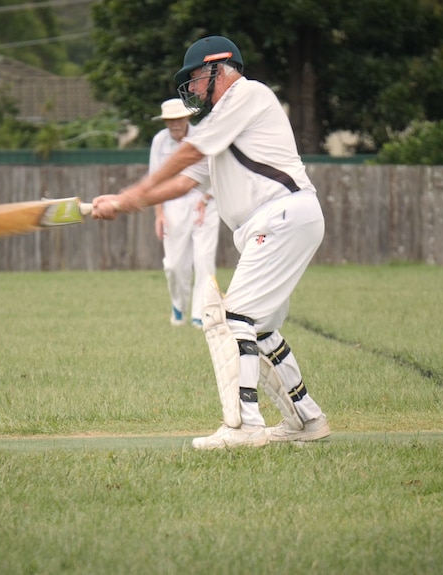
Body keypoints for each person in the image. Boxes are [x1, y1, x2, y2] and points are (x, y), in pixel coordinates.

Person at [92, 36, 330, 449]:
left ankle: (244, 427)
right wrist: (123, 203)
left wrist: (132, 193)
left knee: (232, 318)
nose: (193, 89)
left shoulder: (247, 94)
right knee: (263, 327)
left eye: (197, 77)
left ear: (221, 67)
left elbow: (188, 152)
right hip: (285, 220)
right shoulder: (224, 127)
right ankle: (306, 419)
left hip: (282, 216)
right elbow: (186, 180)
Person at [149, 98, 220, 328]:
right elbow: (154, 180)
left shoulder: (203, 137)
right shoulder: (159, 141)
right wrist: (159, 214)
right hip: (173, 204)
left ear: (187, 117)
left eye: (178, 119)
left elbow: (219, 173)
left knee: (204, 261)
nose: (174, 125)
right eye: (169, 121)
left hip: (205, 204)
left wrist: (207, 197)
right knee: (173, 265)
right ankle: (178, 306)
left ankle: (201, 315)